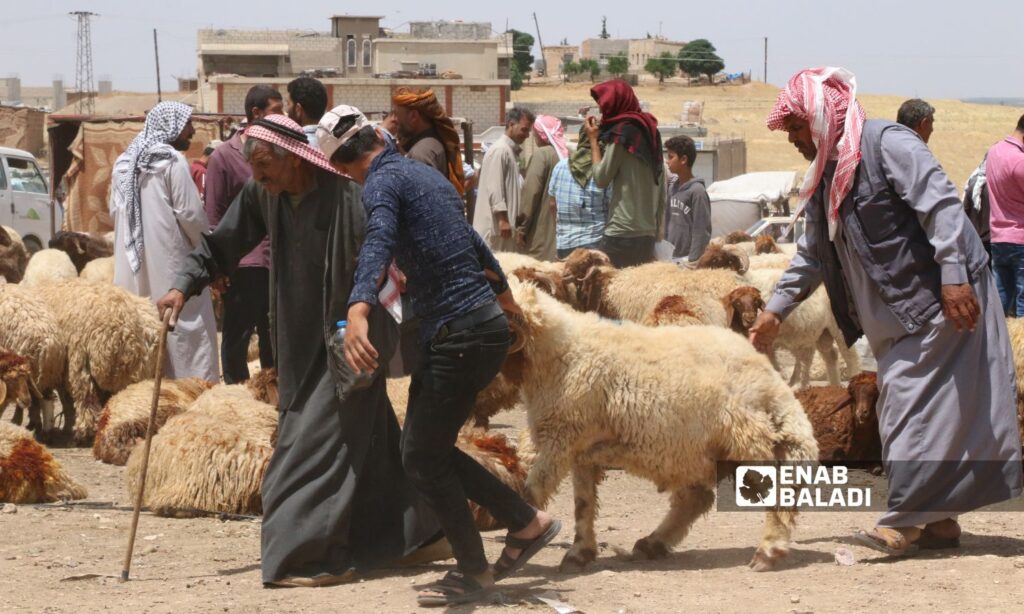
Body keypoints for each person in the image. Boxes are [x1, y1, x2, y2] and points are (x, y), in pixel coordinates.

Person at [156, 114, 443, 588]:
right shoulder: (263, 194)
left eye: (267, 169)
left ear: (297, 160)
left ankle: (300, 555)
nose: (261, 180)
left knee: (309, 444)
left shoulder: (350, 195)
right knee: (368, 438)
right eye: (257, 173)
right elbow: (222, 246)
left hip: (354, 337)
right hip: (297, 337)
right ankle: (415, 534)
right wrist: (182, 286)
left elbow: (387, 258)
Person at [749, 67, 1022, 557]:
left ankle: (903, 522)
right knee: (931, 408)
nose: (790, 139)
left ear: (819, 118)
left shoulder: (887, 144)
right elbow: (813, 256)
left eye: (794, 127)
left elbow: (941, 207)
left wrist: (955, 275)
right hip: (896, 314)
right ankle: (939, 520)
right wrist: (774, 312)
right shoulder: (826, 176)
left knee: (906, 404)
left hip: (940, 299)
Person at [319, 106, 560, 607]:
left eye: (341, 170)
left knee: (423, 456)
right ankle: (525, 523)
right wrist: (504, 298)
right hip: (478, 328)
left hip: (458, 332)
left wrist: (359, 306)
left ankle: (477, 571)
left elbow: (379, 239)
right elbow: (471, 241)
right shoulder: (423, 175)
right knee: (423, 450)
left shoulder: (381, 185)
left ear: (346, 163)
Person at [110, 101, 218, 383]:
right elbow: (192, 215)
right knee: (185, 331)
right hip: (172, 266)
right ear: (169, 127)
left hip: (130, 269)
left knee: (141, 334)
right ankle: (190, 397)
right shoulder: (170, 161)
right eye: (187, 124)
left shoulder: (123, 164)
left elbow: (114, 213)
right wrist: (208, 254)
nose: (192, 130)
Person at [204, 85, 281, 384]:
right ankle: (236, 400)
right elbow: (214, 216)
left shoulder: (278, 153)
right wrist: (218, 268)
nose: (282, 116)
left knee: (273, 340)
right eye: (276, 110)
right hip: (243, 267)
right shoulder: (224, 157)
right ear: (256, 114)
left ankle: (274, 400)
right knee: (236, 340)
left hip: (275, 264)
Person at [585, 79, 666, 267]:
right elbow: (661, 181)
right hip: (647, 234)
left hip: (621, 232)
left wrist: (593, 141)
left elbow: (601, 178)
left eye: (604, 106)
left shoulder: (622, 133)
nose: (602, 112)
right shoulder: (651, 131)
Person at [473, 108, 535, 252]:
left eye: (528, 131)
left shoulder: (508, 151)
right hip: (496, 230)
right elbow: (495, 188)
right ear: (511, 124)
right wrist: (502, 220)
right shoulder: (500, 150)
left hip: (505, 229)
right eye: (524, 130)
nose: (526, 135)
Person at [548, 125, 610, 258]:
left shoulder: (560, 167)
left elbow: (552, 205)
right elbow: (611, 207)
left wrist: (561, 230)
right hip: (595, 243)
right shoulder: (604, 172)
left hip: (564, 244)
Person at [984, 114, 1024, 316]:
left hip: (998, 238)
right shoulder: (1019, 161)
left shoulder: (994, 152)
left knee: (1001, 301)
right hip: (1021, 239)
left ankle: (997, 346)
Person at [391, 87, 465, 194]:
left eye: (396, 114)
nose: (394, 119)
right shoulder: (434, 141)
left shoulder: (420, 154)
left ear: (413, 116)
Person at [516, 115, 567, 261]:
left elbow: (531, 193)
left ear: (540, 134)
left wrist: (522, 229)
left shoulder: (542, 155)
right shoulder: (565, 155)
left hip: (542, 234)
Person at [663, 135, 711, 261]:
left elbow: (702, 230)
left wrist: (693, 260)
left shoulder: (697, 191)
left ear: (683, 159)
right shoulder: (672, 188)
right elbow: (667, 222)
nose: (667, 161)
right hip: (670, 257)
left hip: (687, 260)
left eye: (671, 157)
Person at [286, 76, 328, 149]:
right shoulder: (333, 142)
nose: (286, 110)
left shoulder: (294, 147)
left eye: (288, 104)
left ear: (298, 109)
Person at [963, 154, 991, 259]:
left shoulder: (972, 184)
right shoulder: (996, 186)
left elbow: (964, 212)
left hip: (973, 242)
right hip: (991, 242)